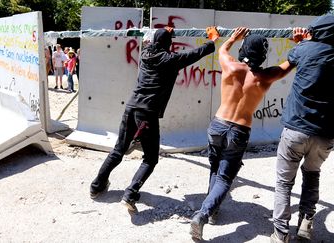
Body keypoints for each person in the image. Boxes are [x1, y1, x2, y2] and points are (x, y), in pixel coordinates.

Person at [89, 26, 219, 213]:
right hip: (147, 114)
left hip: (131, 108)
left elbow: (152, 40)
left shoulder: (145, 55)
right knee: (150, 159)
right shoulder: (171, 60)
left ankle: (96, 186)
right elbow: (197, 53)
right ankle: (130, 194)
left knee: (119, 150)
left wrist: (163, 31)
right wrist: (213, 39)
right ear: (168, 44)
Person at [189, 27, 296, 240]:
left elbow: (222, 50)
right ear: (263, 54)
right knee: (225, 177)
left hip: (218, 125)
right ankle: (202, 214)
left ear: (244, 49)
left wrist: (232, 38)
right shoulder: (265, 76)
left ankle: (212, 210)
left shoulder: (229, 65)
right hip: (239, 130)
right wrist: (299, 42)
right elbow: (291, 63)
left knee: (215, 167)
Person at [270, 14, 334, 243]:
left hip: (296, 128)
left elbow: (296, 58)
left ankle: (280, 233)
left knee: (284, 182)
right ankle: (305, 226)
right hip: (326, 134)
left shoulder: (305, 49)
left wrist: (302, 41)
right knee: (312, 175)